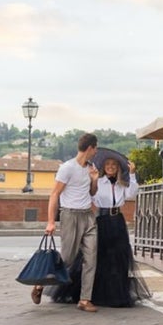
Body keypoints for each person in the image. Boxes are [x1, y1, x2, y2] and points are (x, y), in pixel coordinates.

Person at [32, 133, 99, 312]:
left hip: (88, 216)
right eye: (95, 148)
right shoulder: (67, 168)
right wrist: (51, 222)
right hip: (70, 215)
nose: (96, 152)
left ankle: (85, 299)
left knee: (91, 258)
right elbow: (54, 194)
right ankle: (40, 283)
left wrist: (94, 179)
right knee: (67, 259)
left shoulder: (90, 167)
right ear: (90, 148)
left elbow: (92, 193)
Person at [89, 156, 151, 306]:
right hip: (102, 220)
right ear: (103, 167)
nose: (110, 167)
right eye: (108, 164)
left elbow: (132, 194)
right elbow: (92, 196)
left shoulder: (122, 184)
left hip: (117, 221)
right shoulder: (98, 182)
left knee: (119, 256)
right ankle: (99, 293)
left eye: (114, 165)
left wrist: (132, 174)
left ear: (118, 168)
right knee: (102, 256)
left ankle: (117, 292)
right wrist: (94, 179)